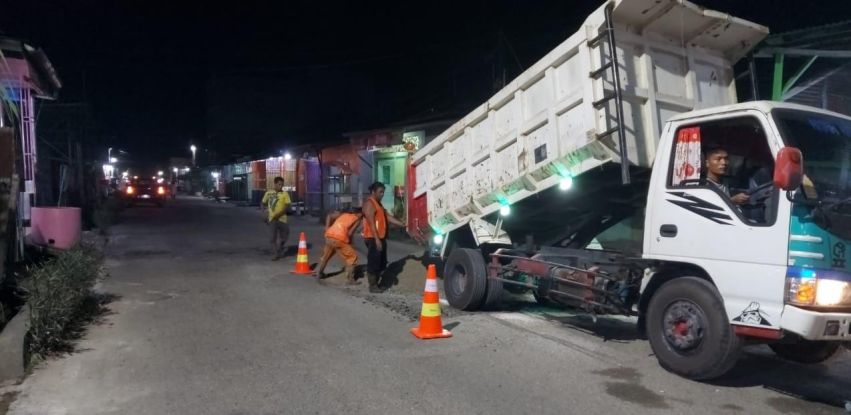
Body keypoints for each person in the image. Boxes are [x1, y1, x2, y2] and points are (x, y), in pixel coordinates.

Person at [362, 182, 406, 293]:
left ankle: (377, 283)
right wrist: (377, 240)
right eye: (380, 192)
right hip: (373, 238)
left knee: (382, 262)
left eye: (383, 192)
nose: (382, 194)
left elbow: (387, 217)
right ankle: (372, 286)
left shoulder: (379, 205)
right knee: (374, 262)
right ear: (373, 192)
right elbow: (371, 223)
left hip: (380, 237)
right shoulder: (369, 204)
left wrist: (402, 224)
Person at [315, 208, 363, 285]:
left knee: (325, 257)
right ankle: (350, 280)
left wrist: (327, 229)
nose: (362, 217)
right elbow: (350, 233)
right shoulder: (357, 219)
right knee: (352, 257)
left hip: (329, 236)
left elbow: (329, 216)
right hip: (340, 239)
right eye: (362, 215)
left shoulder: (343, 214)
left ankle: (319, 274)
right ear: (359, 214)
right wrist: (350, 243)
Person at [261, 177, 291, 260]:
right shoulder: (268, 193)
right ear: (275, 184)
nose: (281, 186)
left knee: (285, 235)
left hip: (282, 218)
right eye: (279, 184)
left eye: (282, 184)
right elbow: (263, 203)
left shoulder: (285, 194)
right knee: (272, 237)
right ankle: (275, 254)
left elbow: (287, 206)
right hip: (272, 219)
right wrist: (263, 212)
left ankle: (280, 246)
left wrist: (280, 214)